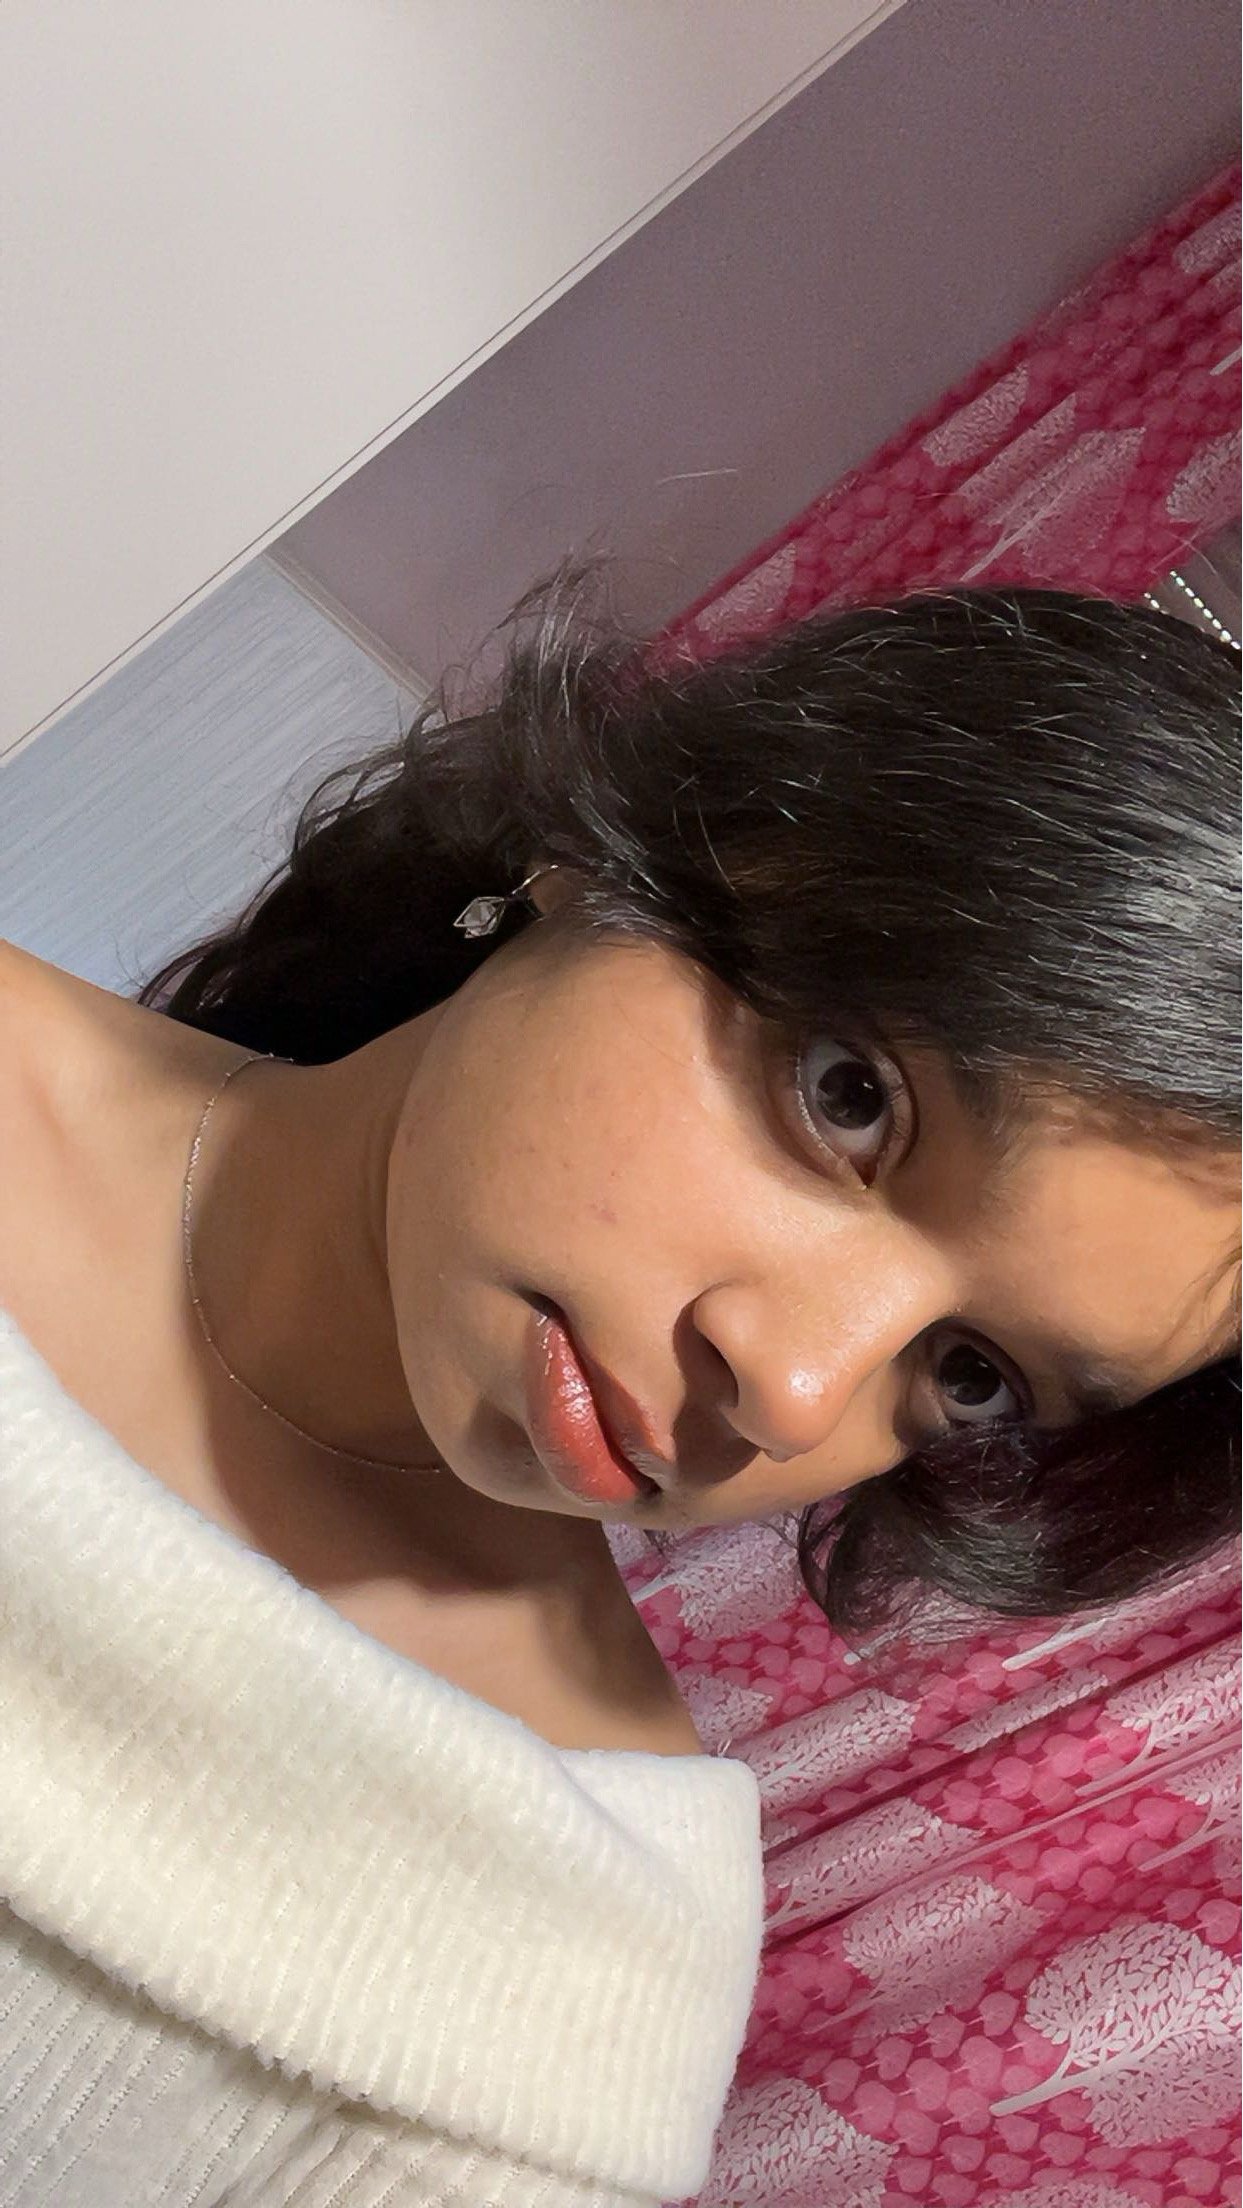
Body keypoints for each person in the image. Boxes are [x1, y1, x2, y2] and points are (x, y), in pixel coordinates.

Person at [0, 561, 1237, 2206]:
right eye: (850, 1099)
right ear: (621, 843)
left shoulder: (576, 1962)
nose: (795, 1389)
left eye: (970, 1375)